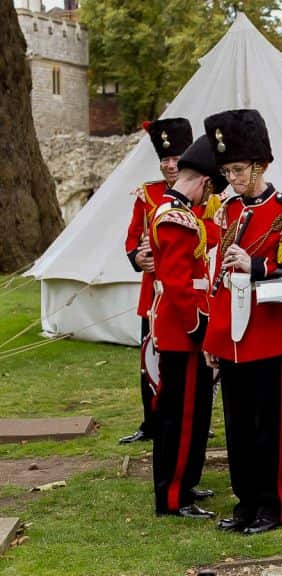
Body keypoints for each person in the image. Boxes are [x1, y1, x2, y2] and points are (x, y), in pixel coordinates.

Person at [202, 109, 282, 535]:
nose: (232, 178)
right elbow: (217, 282)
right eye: (227, 170)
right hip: (231, 337)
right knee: (236, 426)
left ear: (261, 165)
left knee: (268, 426)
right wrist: (213, 340)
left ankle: (275, 504)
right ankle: (246, 500)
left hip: (270, 335)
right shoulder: (226, 213)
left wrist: (258, 266)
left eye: (238, 169)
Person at [148, 137, 227, 520]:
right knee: (180, 417)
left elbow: (209, 238)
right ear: (204, 183)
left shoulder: (183, 213)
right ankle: (173, 497)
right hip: (184, 331)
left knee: (195, 414)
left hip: (188, 325)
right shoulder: (174, 217)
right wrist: (200, 330)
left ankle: (187, 481)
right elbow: (179, 285)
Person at [120, 118, 192, 445]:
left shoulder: (204, 194)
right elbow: (132, 238)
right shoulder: (146, 195)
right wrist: (139, 257)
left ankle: (192, 418)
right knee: (150, 359)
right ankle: (152, 421)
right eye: (165, 160)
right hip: (154, 293)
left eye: (176, 159)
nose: (170, 165)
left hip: (188, 292)